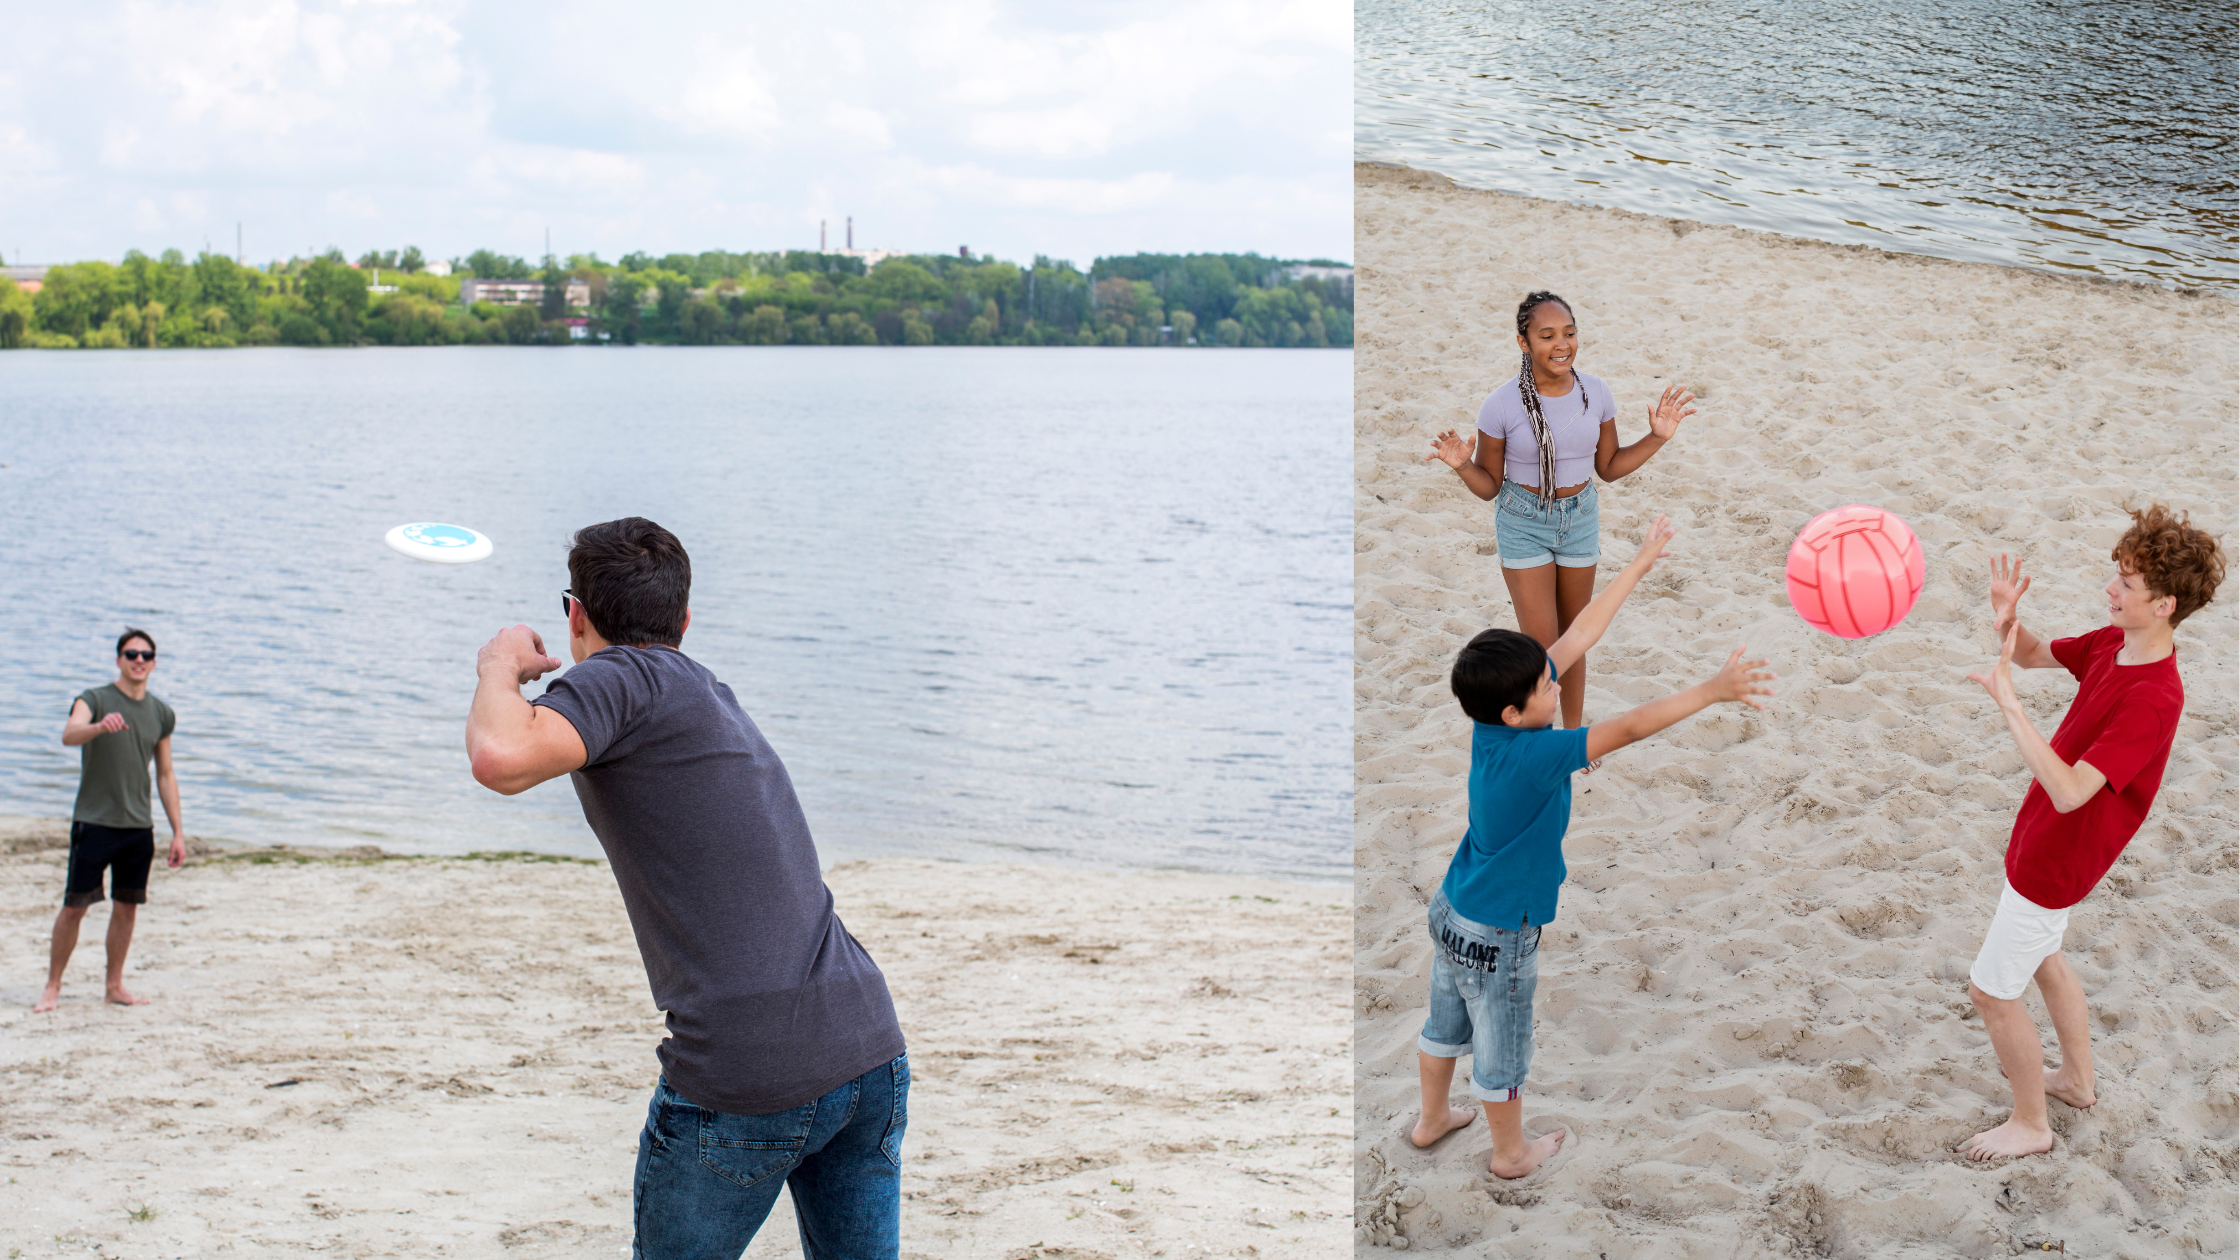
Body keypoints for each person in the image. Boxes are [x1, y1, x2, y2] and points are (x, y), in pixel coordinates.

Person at [463, 517, 909, 1259]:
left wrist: (497, 667)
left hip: (749, 1068)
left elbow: (500, 758)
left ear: (577, 615)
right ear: (685, 618)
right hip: (865, 1044)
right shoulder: (702, 689)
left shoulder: (620, 678)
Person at [1411, 516, 1773, 1177]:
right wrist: (1713, 691)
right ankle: (1511, 1153)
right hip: (1500, 933)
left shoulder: (1495, 729)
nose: (1559, 686)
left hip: (1452, 910)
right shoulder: (1537, 755)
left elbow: (1577, 636)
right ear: (1518, 712)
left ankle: (1432, 1119)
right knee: (1502, 1051)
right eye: (1548, 687)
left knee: (1443, 1025)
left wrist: (1635, 567)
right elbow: (1630, 727)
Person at [1957, 504, 2224, 1161]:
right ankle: (2076, 1083)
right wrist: (2007, 617)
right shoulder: (2113, 644)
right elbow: (2031, 652)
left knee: (1991, 993)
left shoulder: (2155, 698)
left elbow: (2072, 790)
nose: (2111, 590)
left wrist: (2011, 707)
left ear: (2163, 605)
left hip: (2060, 855)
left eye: (2126, 584)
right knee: (2046, 956)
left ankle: (2030, 1124)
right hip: (2044, 842)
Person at [1426, 290, 1696, 743]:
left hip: (1580, 515)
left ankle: (1573, 736)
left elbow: (1608, 468)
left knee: (1576, 636)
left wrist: (1657, 438)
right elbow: (1489, 486)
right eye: (1546, 335)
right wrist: (1462, 466)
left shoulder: (1597, 393)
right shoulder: (1501, 405)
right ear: (1523, 342)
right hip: (1522, 519)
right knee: (1543, 647)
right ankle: (1540, 740)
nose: (1561, 344)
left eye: (1569, 333)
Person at [36, 628, 186, 1013]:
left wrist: (178, 832)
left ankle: (114, 986)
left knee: (127, 907)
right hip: (94, 821)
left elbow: (165, 774)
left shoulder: (160, 712)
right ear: (118, 659)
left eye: (147, 656)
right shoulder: (94, 700)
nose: (139, 661)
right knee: (75, 906)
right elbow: (69, 735)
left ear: (154, 663)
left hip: (138, 826)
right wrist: (100, 727)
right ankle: (53, 986)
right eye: (132, 654)